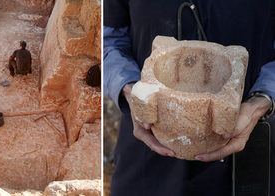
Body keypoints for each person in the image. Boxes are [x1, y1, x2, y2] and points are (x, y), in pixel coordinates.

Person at [103, 1, 275, 196]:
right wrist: (130, 89)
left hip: (246, 146)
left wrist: (261, 101)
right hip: (148, 149)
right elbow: (107, 42)